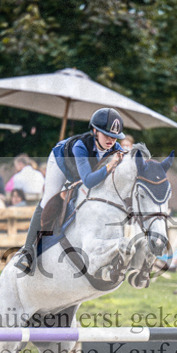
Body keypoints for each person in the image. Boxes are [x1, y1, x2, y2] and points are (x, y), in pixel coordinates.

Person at [13, 107, 128, 274]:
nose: (111, 140)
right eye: (107, 135)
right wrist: (111, 165)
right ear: (95, 131)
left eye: (115, 137)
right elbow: (88, 181)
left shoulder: (115, 148)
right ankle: (27, 251)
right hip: (61, 163)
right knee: (47, 200)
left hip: (82, 172)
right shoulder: (81, 146)